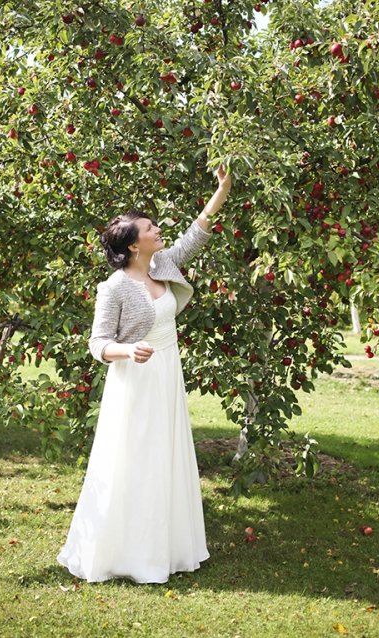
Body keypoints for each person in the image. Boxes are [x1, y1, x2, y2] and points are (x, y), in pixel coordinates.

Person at [56, 165, 232, 584]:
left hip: (168, 375)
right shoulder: (113, 288)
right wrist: (128, 349)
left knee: (165, 457)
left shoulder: (164, 264)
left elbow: (198, 231)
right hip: (134, 381)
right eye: (150, 228)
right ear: (134, 246)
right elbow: (98, 343)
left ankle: (166, 548)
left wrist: (222, 189)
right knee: (132, 460)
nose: (158, 230)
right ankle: (125, 552)